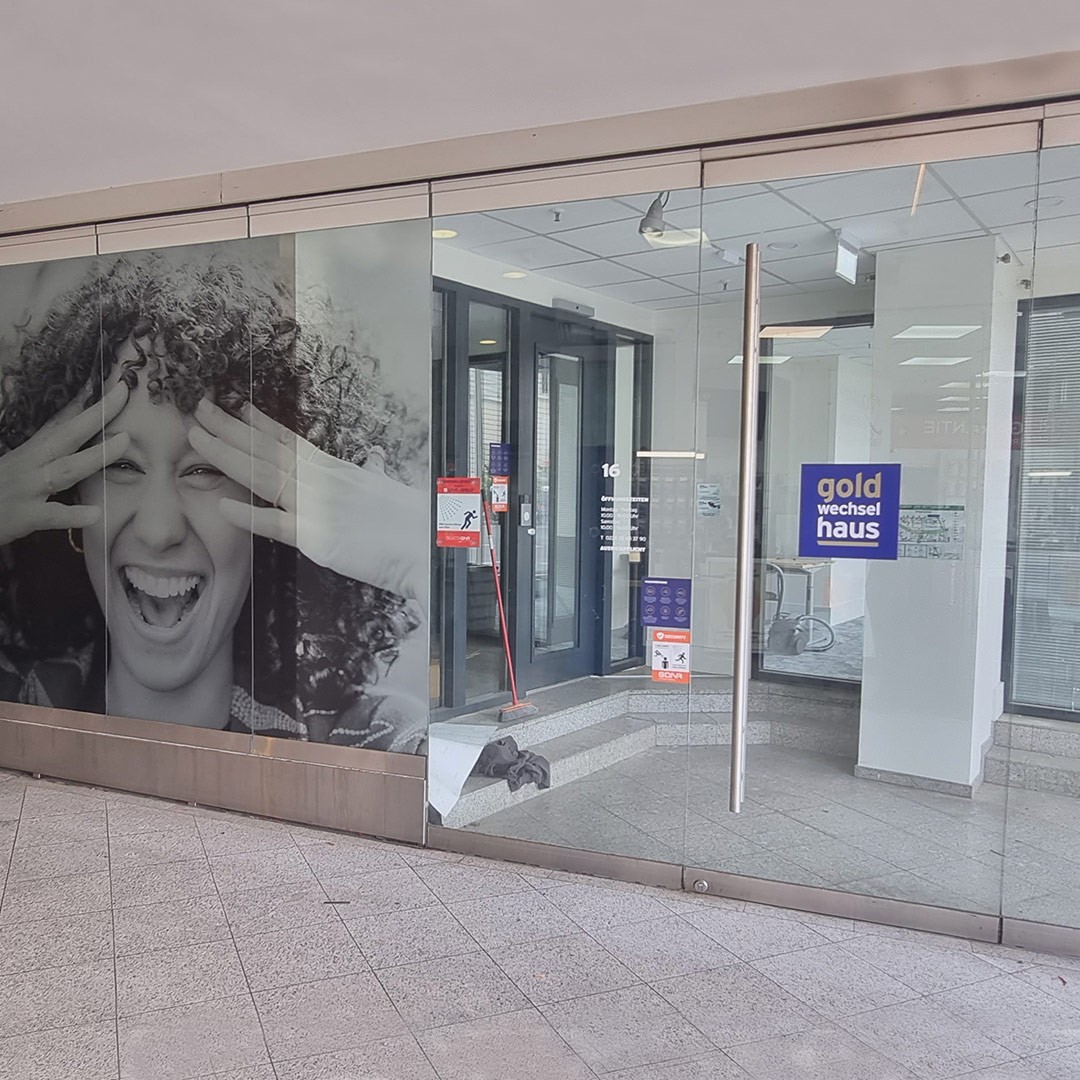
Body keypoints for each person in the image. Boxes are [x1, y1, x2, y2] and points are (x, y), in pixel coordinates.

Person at [0, 253, 429, 751]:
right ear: (66, 493)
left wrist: (421, 554)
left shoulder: (373, 737)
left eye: (204, 470)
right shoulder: (13, 699)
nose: (159, 530)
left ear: (274, 508)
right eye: (122, 466)